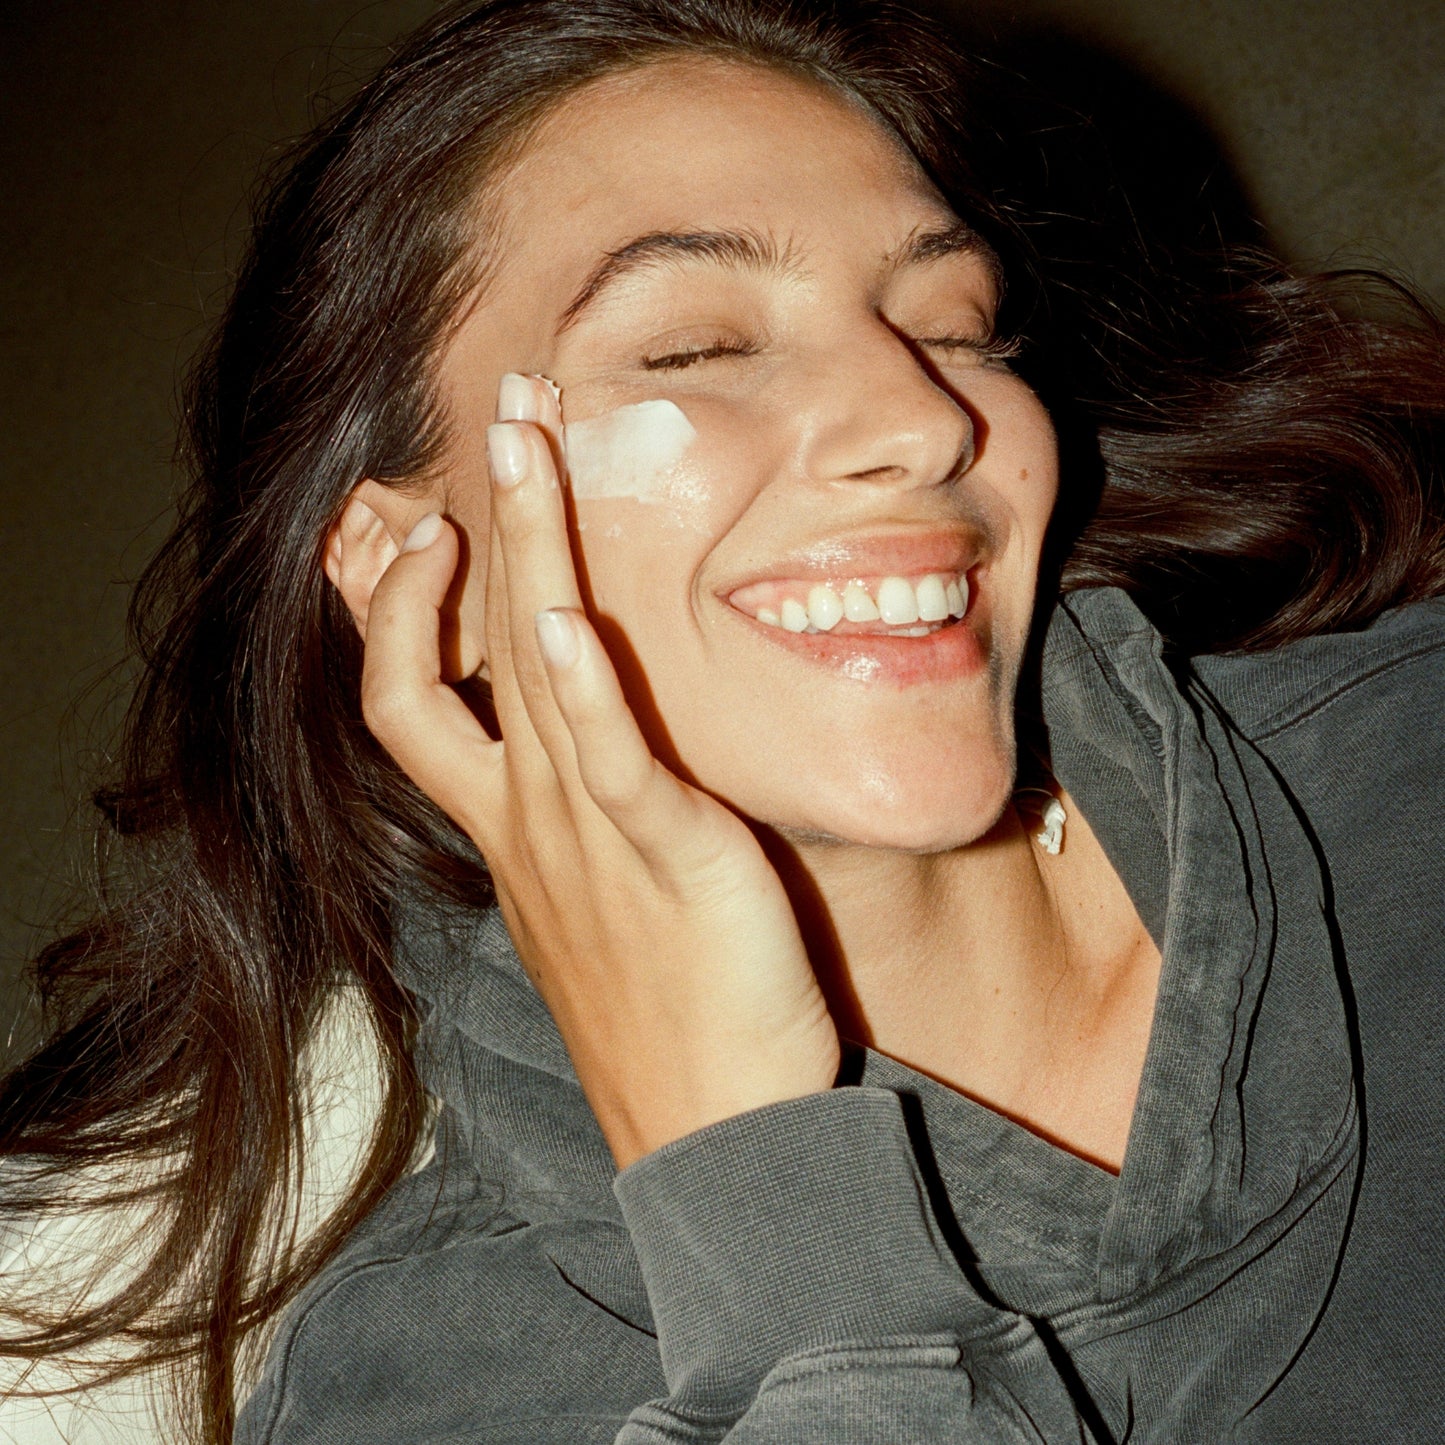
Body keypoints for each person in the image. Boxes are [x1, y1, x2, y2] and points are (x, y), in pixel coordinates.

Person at [2, 1, 1443, 1440]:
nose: (921, 416)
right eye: (692, 348)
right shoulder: (439, 1386)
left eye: (957, 325)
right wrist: (757, 1200)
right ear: (418, 584)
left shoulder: (1406, 774)